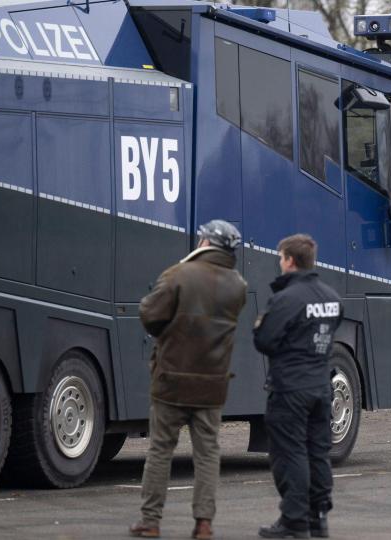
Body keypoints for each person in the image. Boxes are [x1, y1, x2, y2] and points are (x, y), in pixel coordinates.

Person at [129, 220, 248, 540]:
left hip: (171, 381)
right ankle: (204, 524)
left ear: (207, 242)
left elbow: (150, 315)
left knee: (160, 450)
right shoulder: (237, 285)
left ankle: (150, 521)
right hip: (212, 384)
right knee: (208, 453)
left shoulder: (177, 275)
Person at [253, 234, 343, 539]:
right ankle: (318, 517)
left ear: (290, 260)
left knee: (289, 453)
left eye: (281, 257)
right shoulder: (331, 297)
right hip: (320, 386)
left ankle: (294, 520)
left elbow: (264, 340)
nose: (280, 263)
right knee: (317, 452)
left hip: (290, 389)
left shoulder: (286, 299)